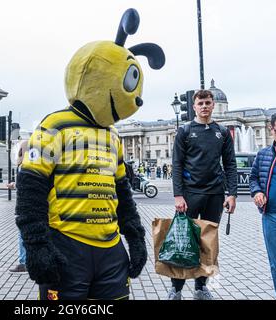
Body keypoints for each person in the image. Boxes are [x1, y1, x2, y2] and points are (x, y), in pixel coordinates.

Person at [15, 8, 165, 300]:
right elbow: (30, 189)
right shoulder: (53, 125)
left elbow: (122, 192)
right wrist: (36, 245)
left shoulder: (113, 135)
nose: (136, 99)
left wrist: (135, 237)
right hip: (65, 246)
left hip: (110, 251)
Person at [170, 89, 237, 300]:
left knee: (208, 244)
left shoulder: (222, 132)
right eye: (201, 103)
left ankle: (201, 287)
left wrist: (232, 193)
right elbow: (177, 164)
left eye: (208, 102)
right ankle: (176, 289)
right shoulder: (186, 131)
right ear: (194, 106)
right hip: (190, 194)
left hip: (215, 195)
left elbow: (230, 164)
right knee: (183, 242)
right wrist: (178, 195)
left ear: (213, 105)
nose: (205, 106)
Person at [249, 109, 276, 300]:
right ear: (271, 129)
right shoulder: (264, 154)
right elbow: (254, 177)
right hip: (272, 216)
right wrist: (256, 192)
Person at [8, 140, 29, 273]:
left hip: (24, 205)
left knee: (22, 235)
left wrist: (14, 185)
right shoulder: (33, 165)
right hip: (31, 205)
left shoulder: (23, 166)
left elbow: (24, 185)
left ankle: (23, 262)